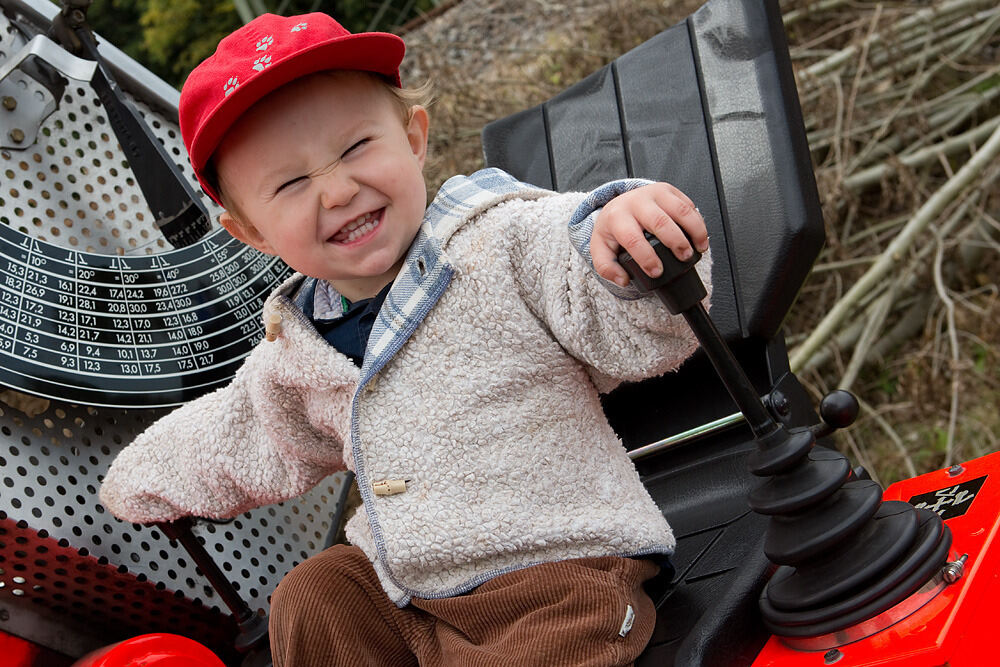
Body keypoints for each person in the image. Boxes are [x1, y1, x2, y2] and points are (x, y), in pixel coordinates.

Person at [99, 11, 711, 667]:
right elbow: (240, 432)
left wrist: (621, 244)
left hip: (559, 571)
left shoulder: (500, 240)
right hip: (407, 587)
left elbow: (605, 300)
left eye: (356, 147)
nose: (337, 189)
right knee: (313, 592)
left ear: (413, 137)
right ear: (251, 233)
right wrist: (135, 481)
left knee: (556, 641)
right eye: (291, 183)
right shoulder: (298, 345)